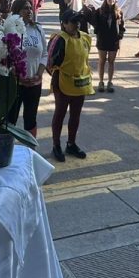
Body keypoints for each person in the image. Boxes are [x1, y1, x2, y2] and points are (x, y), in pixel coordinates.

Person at [46, 9, 93, 163]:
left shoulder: (85, 38)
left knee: (75, 115)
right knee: (60, 114)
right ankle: (56, 146)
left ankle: (71, 144)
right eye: (73, 22)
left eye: (78, 21)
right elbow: (49, 62)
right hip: (63, 83)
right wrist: (55, 76)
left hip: (80, 83)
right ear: (64, 24)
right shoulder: (59, 39)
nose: (77, 24)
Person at [5, 0, 47, 142]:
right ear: (17, 11)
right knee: (10, 119)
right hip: (15, 84)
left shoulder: (38, 29)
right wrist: (16, 74)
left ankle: (30, 149)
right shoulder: (11, 30)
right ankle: (7, 149)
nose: (29, 11)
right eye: (25, 8)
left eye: (30, 8)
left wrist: (39, 75)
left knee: (31, 119)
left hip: (34, 83)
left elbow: (44, 55)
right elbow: (5, 56)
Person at [84, 0, 126, 92]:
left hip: (113, 40)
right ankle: (101, 82)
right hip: (102, 39)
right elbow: (95, 24)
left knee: (111, 61)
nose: (111, 0)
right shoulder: (99, 11)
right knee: (102, 61)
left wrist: (120, 35)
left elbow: (122, 27)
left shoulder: (119, 12)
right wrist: (88, 10)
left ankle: (110, 82)